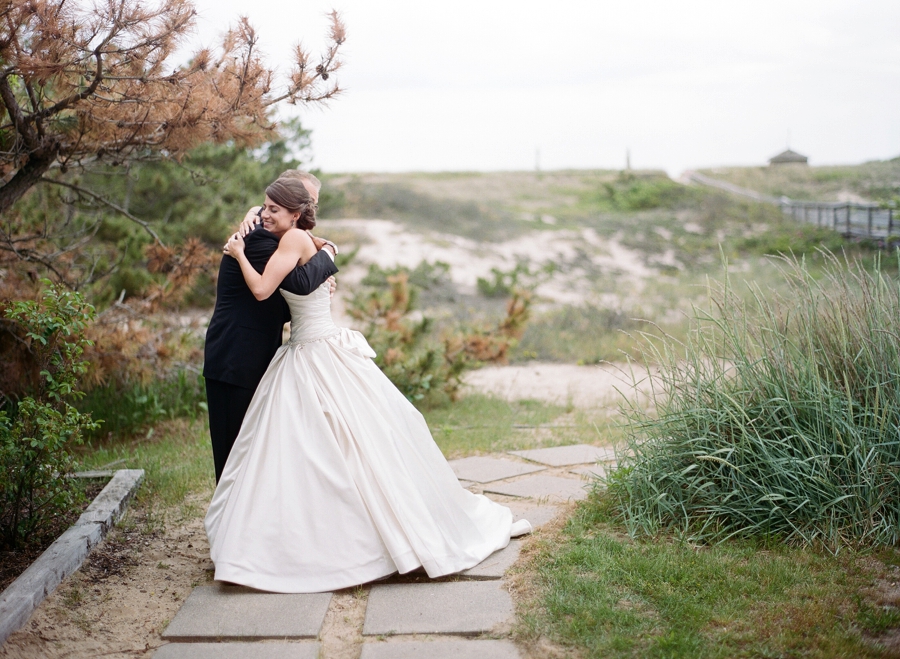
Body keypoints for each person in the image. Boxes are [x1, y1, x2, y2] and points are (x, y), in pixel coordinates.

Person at [205, 176, 532, 594]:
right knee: (321, 446)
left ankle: (300, 539)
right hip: (302, 348)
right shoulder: (291, 239)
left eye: (272, 208)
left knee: (319, 447)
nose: (263, 212)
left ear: (295, 212)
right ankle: (287, 533)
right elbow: (301, 280)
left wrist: (247, 250)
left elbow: (267, 286)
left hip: (311, 349)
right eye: (264, 207)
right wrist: (322, 254)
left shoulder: (292, 242)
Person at [203, 175, 338, 483]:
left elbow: (287, 298)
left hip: (257, 357)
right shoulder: (260, 239)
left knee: (255, 450)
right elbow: (298, 285)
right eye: (307, 201)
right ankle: (229, 525)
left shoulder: (279, 239)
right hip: (235, 358)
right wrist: (327, 253)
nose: (310, 209)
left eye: (313, 204)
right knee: (233, 451)